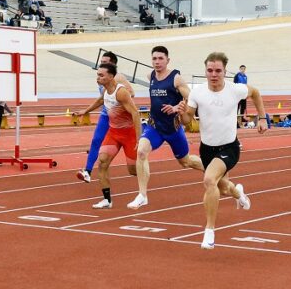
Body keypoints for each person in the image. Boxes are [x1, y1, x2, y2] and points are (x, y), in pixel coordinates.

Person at [180, 51, 264, 249]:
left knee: (209, 180)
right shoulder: (197, 92)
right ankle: (239, 194)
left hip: (229, 147)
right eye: (210, 70)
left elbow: (256, 93)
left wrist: (262, 118)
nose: (214, 74)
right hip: (207, 149)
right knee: (223, 188)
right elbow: (187, 120)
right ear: (205, 72)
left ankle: (209, 231)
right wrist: (181, 114)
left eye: (218, 70)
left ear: (225, 71)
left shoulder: (235, 89)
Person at [126, 46, 205, 209]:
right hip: (154, 127)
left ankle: (211, 169)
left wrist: (176, 107)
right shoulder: (151, 76)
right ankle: (142, 195)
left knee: (185, 161)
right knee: (141, 152)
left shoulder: (176, 78)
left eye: (160, 58)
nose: (157, 62)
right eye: (154, 58)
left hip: (173, 129)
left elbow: (192, 98)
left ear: (168, 60)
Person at [74, 51, 134, 182]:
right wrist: (86, 111)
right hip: (105, 115)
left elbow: (131, 93)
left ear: (113, 64)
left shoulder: (119, 78)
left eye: (105, 62)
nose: (102, 64)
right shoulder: (102, 78)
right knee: (96, 141)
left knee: (131, 157)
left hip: (119, 118)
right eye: (101, 62)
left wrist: (117, 102)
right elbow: (101, 99)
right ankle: (87, 171)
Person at [91, 63, 140, 209]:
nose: (97, 78)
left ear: (111, 77)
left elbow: (135, 113)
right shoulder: (106, 90)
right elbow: (100, 101)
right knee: (102, 162)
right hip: (113, 133)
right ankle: (107, 200)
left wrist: (139, 138)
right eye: (97, 75)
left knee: (133, 171)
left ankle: (144, 174)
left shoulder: (121, 92)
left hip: (129, 134)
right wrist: (85, 111)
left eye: (101, 75)